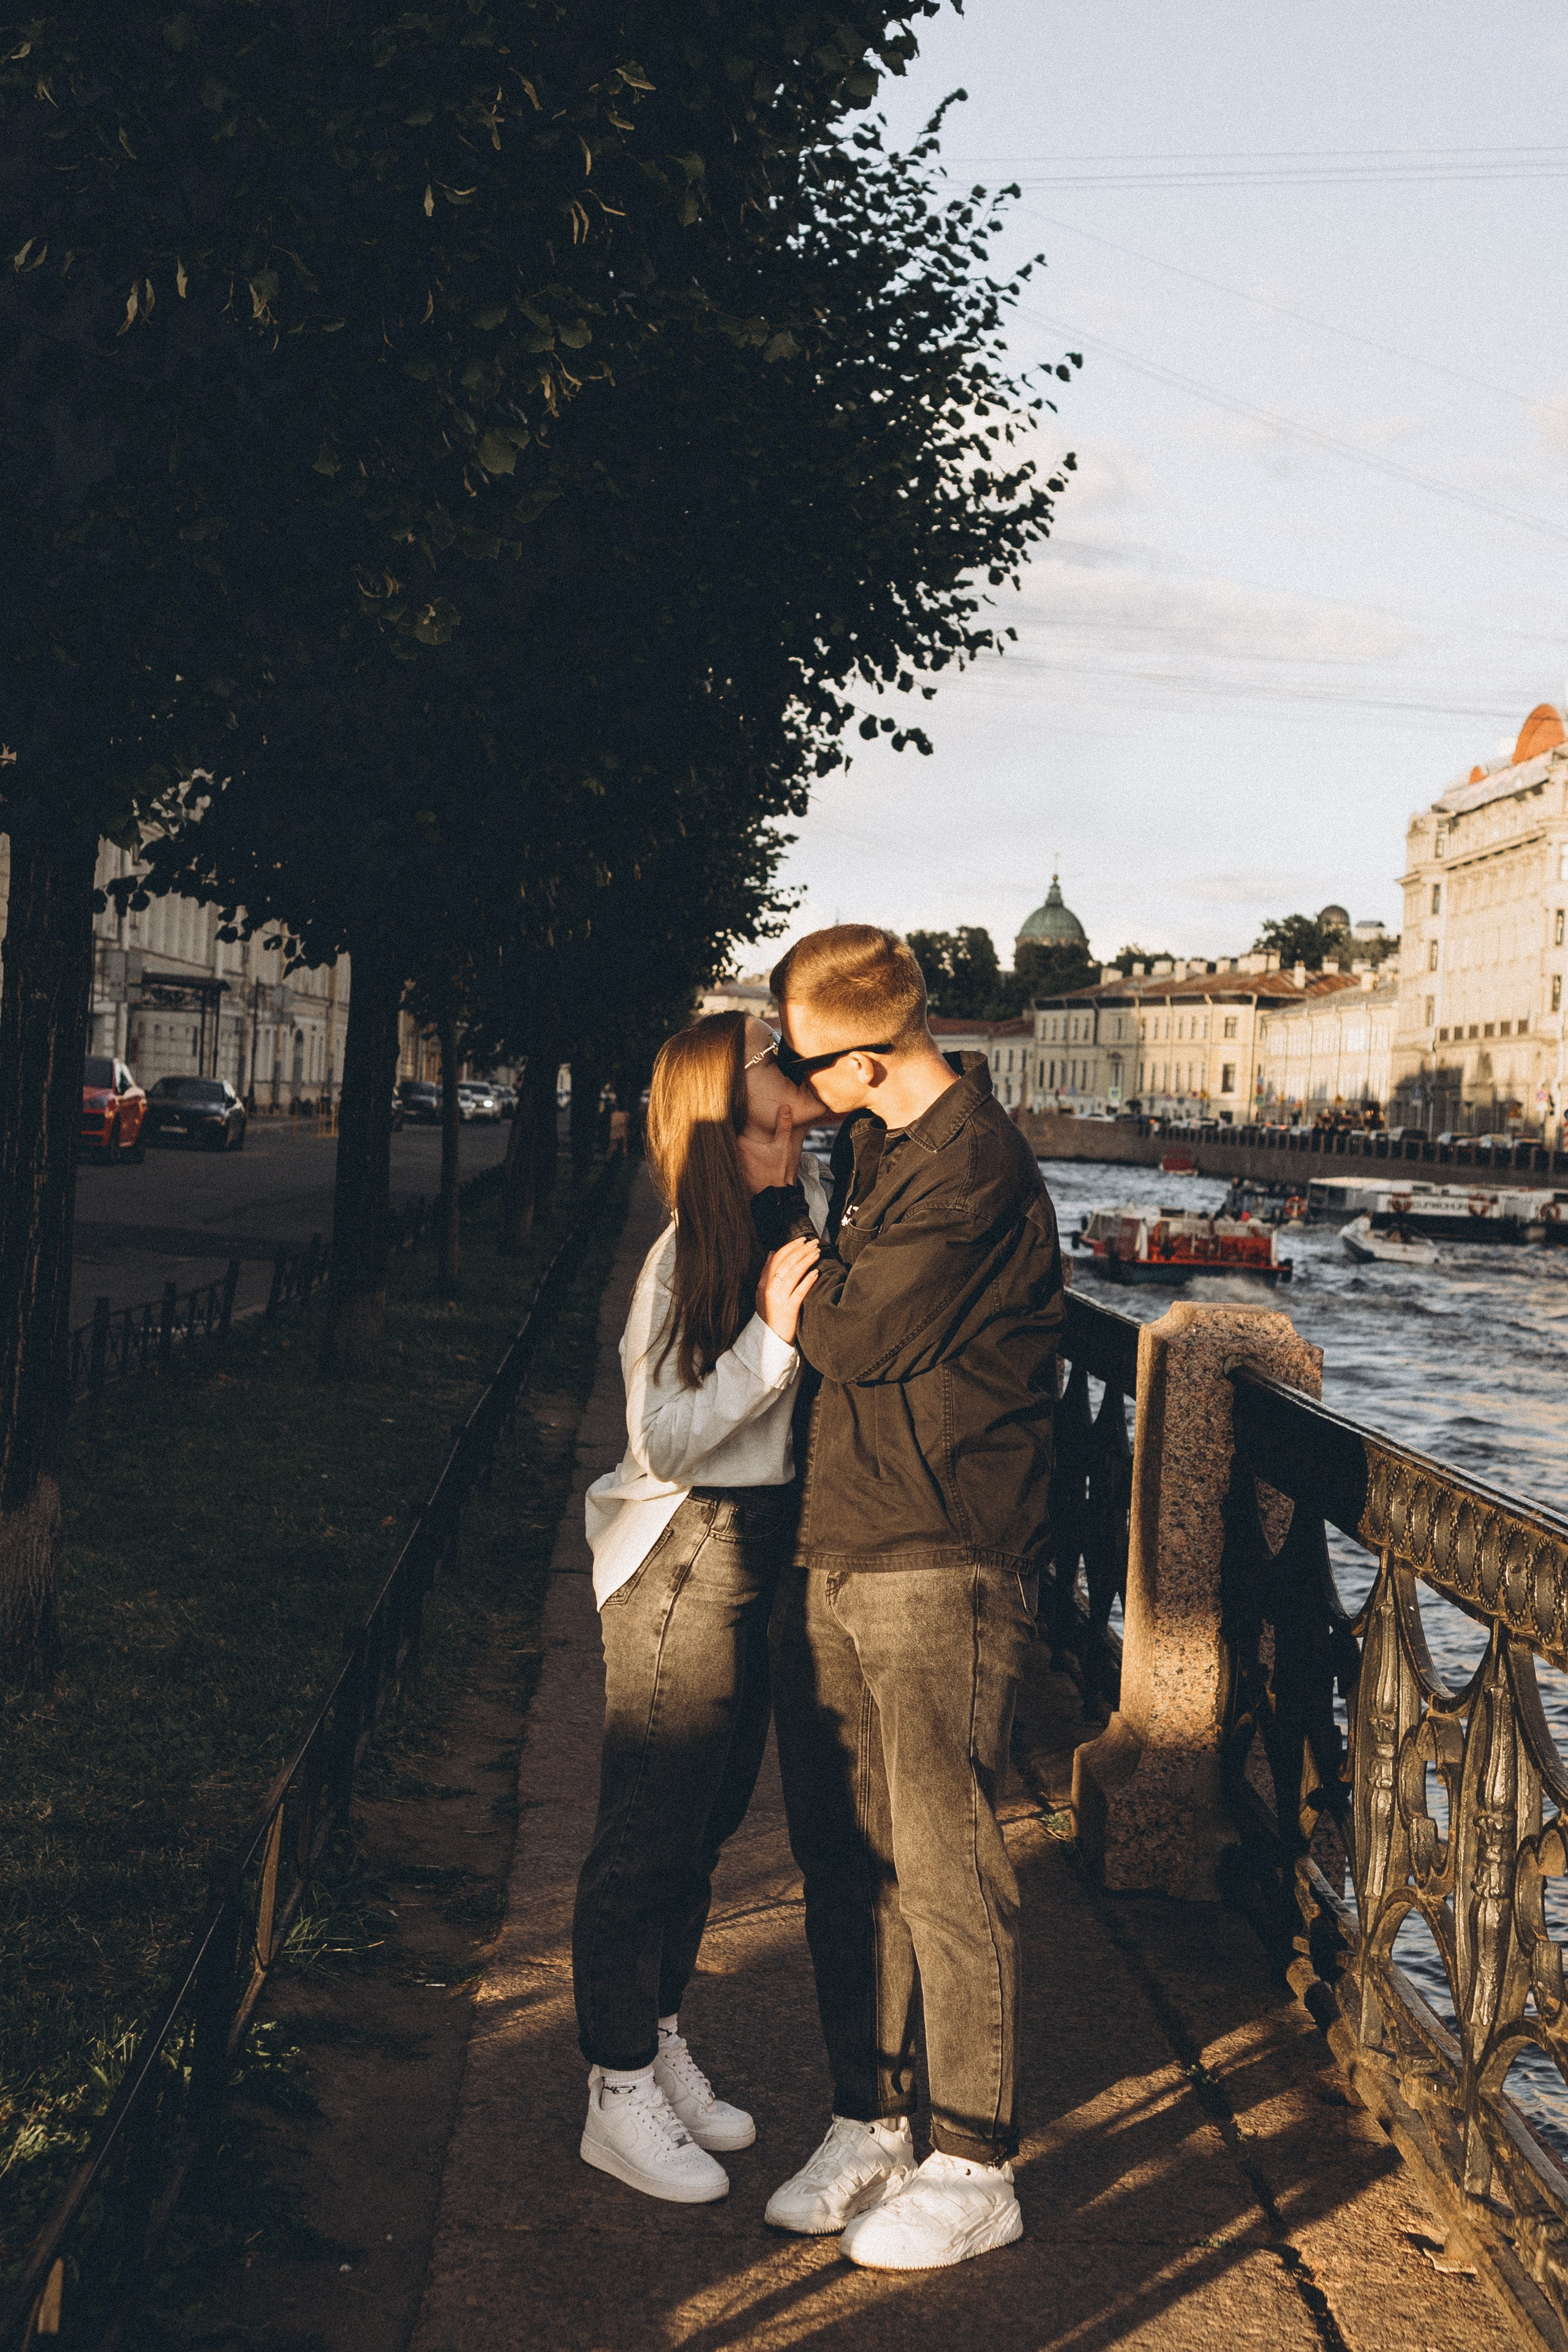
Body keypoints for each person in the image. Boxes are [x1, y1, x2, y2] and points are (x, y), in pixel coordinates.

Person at [746, 924, 1063, 2272]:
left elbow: (860, 1333)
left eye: (800, 1059)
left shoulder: (975, 1163)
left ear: (866, 1059)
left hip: (943, 1551)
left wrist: (794, 1286)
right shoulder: (878, 1145)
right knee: (843, 1854)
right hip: (842, 1533)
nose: (788, 1078)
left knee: (945, 1862)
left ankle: (976, 2162)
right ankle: (870, 2121)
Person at [573, 1010, 827, 2206]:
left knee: (706, 1825)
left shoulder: (786, 1211)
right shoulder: (686, 1258)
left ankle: (658, 2033)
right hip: (682, 1553)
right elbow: (665, 1440)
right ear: (723, 1124)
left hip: (754, 1548)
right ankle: (614, 2086)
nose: (796, 1120)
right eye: (773, 1108)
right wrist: (771, 1337)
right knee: (646, 1833)